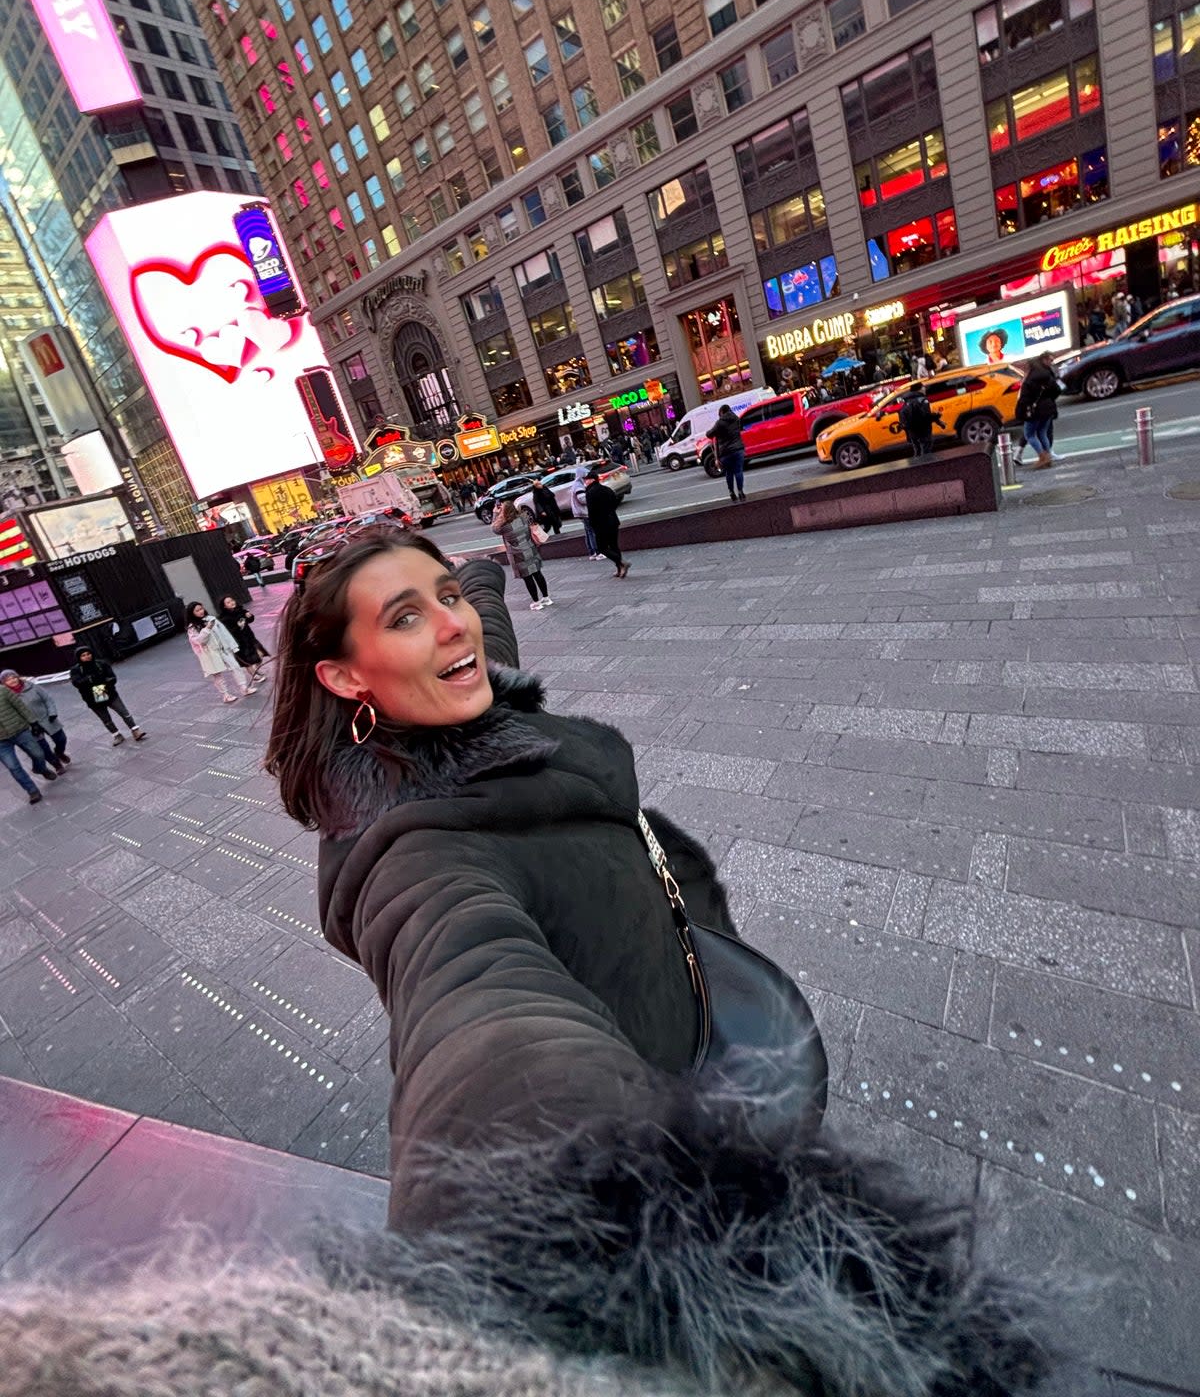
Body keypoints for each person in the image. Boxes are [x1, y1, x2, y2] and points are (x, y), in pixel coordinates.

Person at [257, 529, 1050, 1397]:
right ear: (345, 676)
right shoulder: (417, 862)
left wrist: (482, 571)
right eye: (406, 617)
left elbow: (485, 630)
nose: (453, 628)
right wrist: (585, 1215)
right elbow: (479, 1015)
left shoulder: (466, 709)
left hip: (675, 974)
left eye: (445, 595)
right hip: (644, 1065)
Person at [69, 645, 145, 745]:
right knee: (106, 719)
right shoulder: (76, 670)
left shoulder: (101, 663)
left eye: (88, 654)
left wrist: (101, 683)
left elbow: (112, 677)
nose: (87, 656)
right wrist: (92, 680)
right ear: (79, 658)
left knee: (123, 712)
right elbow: (77, 683)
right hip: (92, 698)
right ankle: (117, 735)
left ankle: (135, 730)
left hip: (109, 693)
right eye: (83, 655)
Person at [0, 678, 59, 804]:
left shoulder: (3, 691)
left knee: (39, 754)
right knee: (13, 767)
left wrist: (33, 722)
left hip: (20, 730)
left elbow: (20, 707)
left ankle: (41, 769)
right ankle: (32, 791)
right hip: (1, 742)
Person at [186, 601, 255, 702]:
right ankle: (226, 695)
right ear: (192, 613)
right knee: (217, 675)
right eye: (197, 610)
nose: (201, 611)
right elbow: (199, 641)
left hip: (223, 649)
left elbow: (224, 633)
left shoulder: (211, 619)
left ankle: (244, 688)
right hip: (209, 653)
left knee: (235, 667)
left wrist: (232, 646)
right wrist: (207, 629)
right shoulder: (192, 627)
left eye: (201, 608)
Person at [491, 497, 552, 610]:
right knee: (537, 573)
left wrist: (496, 513)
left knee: (528, 578)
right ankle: (546, 598)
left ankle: (536, 602)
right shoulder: (523, 518)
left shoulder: (504, 525)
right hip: (531, 549)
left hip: (518, 554)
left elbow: (494, 528)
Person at [1, 668, 68, 770]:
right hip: (30, 726)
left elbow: (47, 698)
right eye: (8, 680)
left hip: (46, 718)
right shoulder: (6, 695)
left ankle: (59, 752)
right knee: (43, 748)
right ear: (4, 683)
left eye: (13, 677)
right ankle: (56, 764)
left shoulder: (31, 686)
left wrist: (52, 712)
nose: (12, 680)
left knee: (61, 739)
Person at [1016, 352, 1059, 469]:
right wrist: (1049, 400)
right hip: (1049, 408)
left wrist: (1020, 412)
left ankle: (1042, 457)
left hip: (1034, 410)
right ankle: (1048, 456)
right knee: (1042, 432)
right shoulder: (1047, 374)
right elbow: (1057, 390)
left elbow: (1024, 398)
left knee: (1029, 434)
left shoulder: (1029, 379)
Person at [584, 464, 629, 577]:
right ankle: (620, 569)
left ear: (591, 480)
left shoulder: (590, 492)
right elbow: (615, 501)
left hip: (601, 524)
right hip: (613, 520)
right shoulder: (606, 489)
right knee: (614, 545)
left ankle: (621, 563)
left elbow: (591, 511)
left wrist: (592, 524)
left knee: (602, 547)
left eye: (587, 480)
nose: (585, 482)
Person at [219, 594, 270, 680]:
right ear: (224, 606)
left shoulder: (241, 610)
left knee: (260, 655)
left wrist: (250, 616)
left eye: (232, 600)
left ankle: (255, 669)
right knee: (247, 661)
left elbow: (250, 620)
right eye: (228, 602)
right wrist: (238, 626)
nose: (231, 603)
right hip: (239, 642)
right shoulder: (225, 618)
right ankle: (255, 676)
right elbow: (228, 632)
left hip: (250, 638)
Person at [706, 403, 746, 502]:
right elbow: (740, 429)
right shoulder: (737, 419)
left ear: (722, 412)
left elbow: (710, 434)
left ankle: (731, 493)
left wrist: (708, 432)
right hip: (738, 450)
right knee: (738, 471)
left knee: (729, 472)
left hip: (726, 452)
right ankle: (740, 491)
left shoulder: (720, 423)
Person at [896, 382, 946, 458]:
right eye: (923, 387)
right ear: (919, 389)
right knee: (926, 450)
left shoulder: (906, 401)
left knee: (917, 450)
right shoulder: (922, 400)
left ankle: (916, 467)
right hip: (924, 429)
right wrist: (937, 417)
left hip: (912, 431)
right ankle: (926, 467)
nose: (925, 389)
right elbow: (926, 415)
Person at [568, 465, 601, 558]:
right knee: (591, 531)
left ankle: (592, 552)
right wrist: (592, 499)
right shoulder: (579, 485)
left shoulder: (576, 484)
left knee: (588, 531)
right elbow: (582, 499)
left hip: (580, 512)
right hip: (584, 511)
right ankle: (597, 552)